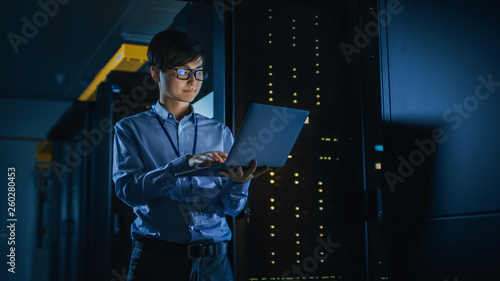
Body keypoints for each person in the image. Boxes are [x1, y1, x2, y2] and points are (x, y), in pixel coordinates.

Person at [112, 29, 268, 281]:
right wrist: (180, 167)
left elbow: (231, 208)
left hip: (215, 263)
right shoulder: (130, 129)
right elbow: (129, 192)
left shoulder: (219, 131)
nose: (193, 81)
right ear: (155, 73)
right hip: (158, 261)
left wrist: (241, 183)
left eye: (199, 72)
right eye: (183, 71)